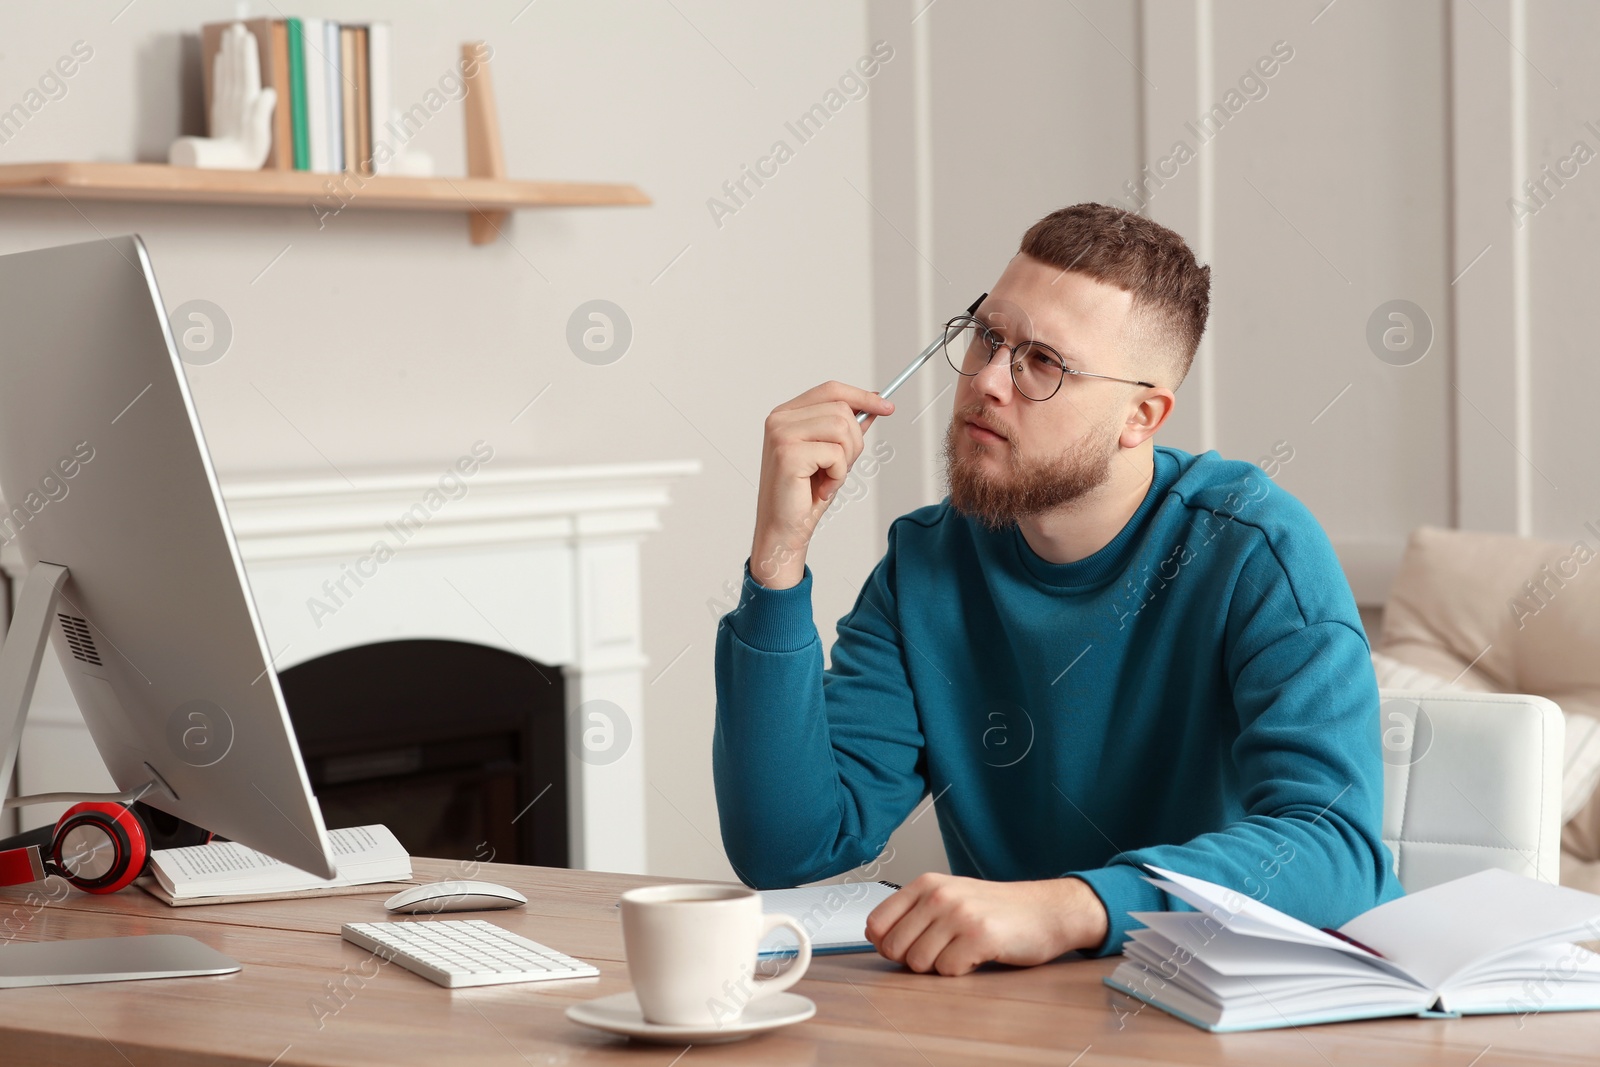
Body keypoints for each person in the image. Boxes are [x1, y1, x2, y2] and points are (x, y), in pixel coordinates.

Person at [712, 202, 1401, 976]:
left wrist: (1070, 905)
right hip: (1009, 1019)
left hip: (1216, 1015)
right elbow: (788, 848)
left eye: (1044, 362)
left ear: (1140, 415)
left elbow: (1338, 851)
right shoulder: (926, 565)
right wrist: (777, 562)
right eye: (988, 337)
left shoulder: (1256, 552)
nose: (988, 382)